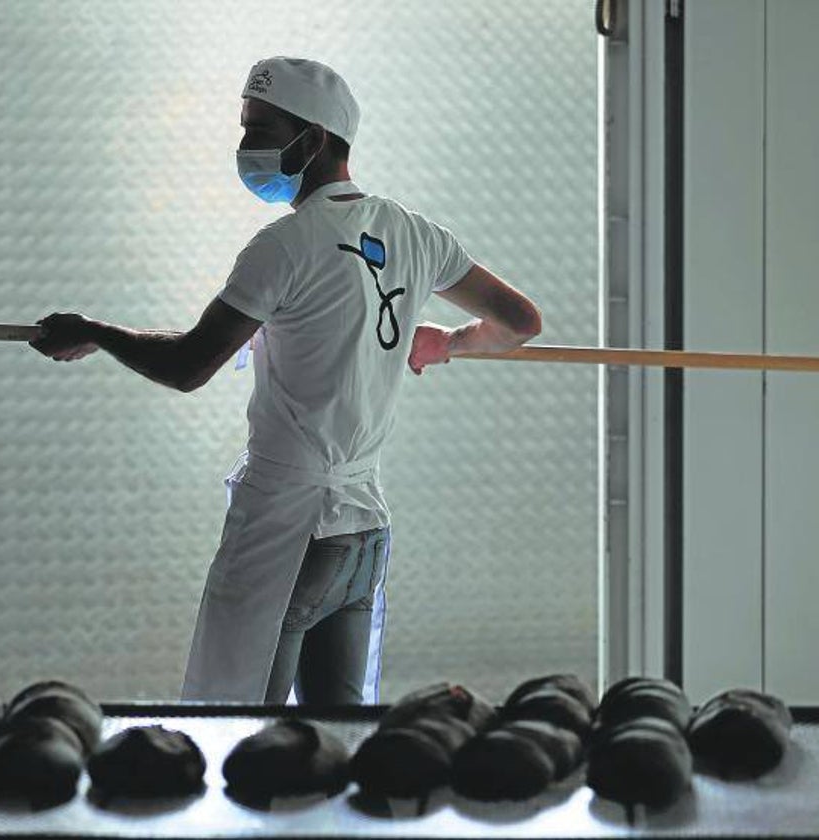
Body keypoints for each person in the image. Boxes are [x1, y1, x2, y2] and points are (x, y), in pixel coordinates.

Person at [31, 57, 542, 704]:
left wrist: (97, 333)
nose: (246, 147)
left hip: (287, 534)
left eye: (261, 129)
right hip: (359, 537)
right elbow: (520, 320)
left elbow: (191, 364)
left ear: (317, 139)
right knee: (334, 742)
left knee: (234, 737)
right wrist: (449, 342)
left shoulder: (284, 246)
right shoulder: (415, 235)